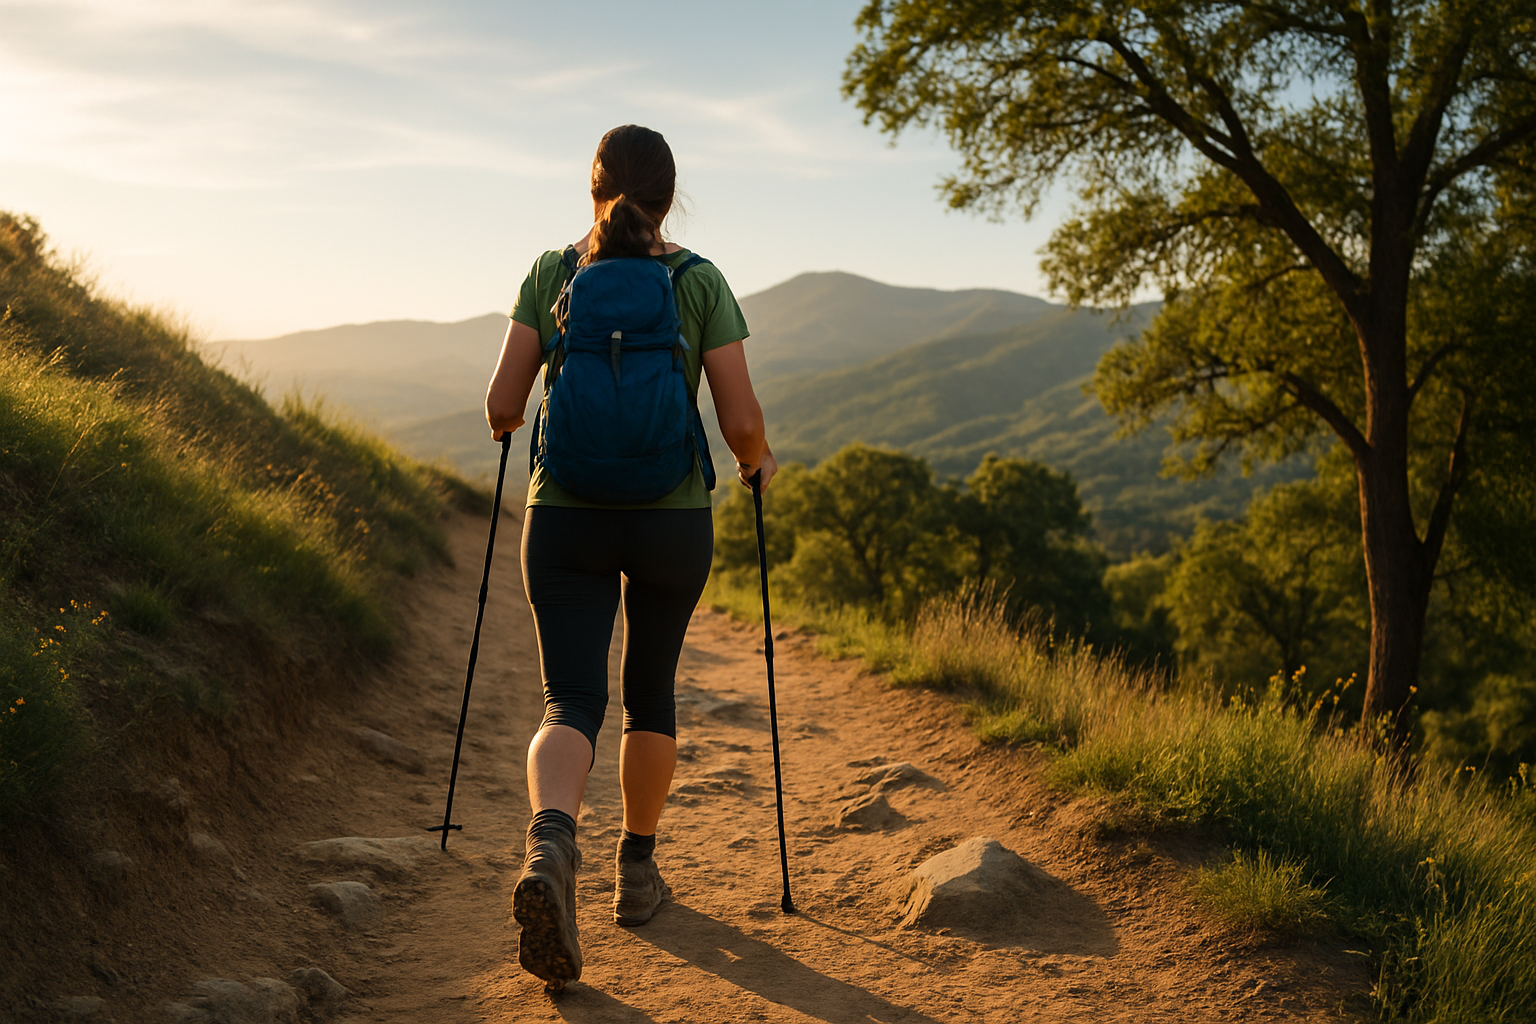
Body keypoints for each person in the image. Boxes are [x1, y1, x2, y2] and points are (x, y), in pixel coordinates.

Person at [484, 123, 777, 991]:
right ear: (670, 195)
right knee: (650, 693)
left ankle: (550, 849)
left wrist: (511, 425)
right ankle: (637, 871)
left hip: (564, 517)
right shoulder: (698, 280)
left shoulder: (551, 274)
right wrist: (756, 462)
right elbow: (742, 422)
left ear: (593, 189)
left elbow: (502, 404)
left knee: (569, 697)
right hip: (670, 520)